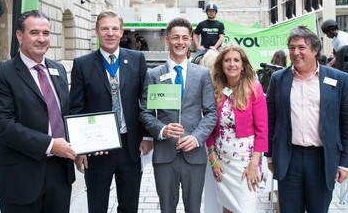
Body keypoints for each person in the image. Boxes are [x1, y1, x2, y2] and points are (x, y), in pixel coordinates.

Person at [70, 10, 152, 213]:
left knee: (129, 205)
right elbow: (76, 108)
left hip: (130, 145)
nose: (110, 33)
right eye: (105, 28)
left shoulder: (136, 59)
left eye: (115, 28)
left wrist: (148, 135)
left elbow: (145, 99)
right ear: (97, 31)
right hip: (97, 147)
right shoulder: (82, 64)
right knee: (97, 205)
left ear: (121, 31)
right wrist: (80, 149)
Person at [0, 10, 76, 213]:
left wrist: (83, 144)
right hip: (21, 176)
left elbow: (64, 113)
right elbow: (3, 125)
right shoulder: (3, 73)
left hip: (60, 173)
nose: (41, 39)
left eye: (46, 33)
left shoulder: (57, 69)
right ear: (19, 35)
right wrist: (50, 145)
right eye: (34, 33)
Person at [266, 26, 348, 213]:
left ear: (315, 50)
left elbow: (346, 123)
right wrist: (270, 156)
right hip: (289, 158)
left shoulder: (340, 80)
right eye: (292, 47)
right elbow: (271, 120)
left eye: (301, 47)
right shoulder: (278, 79)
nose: (296, 53)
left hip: (322, 159)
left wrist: (344, 163)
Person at [140, 17, 217, 213]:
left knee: (193, 209)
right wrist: (162, 129)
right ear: (167, 40)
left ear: (191, 40)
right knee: (167, 208)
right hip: (165, 154)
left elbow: (210, 113)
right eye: (175, 37)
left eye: (184, 37)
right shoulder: (154, 74)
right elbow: (145, 112)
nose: (180, 42)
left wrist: (197, 138)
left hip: (194, 154)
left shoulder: (202, 74)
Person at [206, 44, 268, 213]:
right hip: (222, 162)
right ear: (221, 64)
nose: (231, 64)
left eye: (236, 60)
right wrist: (212, 158)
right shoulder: (215, 89)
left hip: (246, 162)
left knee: (245, 208)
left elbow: (262, 130)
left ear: (243, 64)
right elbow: (209, 126)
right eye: (227, 60)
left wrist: (254, 164)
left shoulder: (254, 88)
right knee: (227, 208)